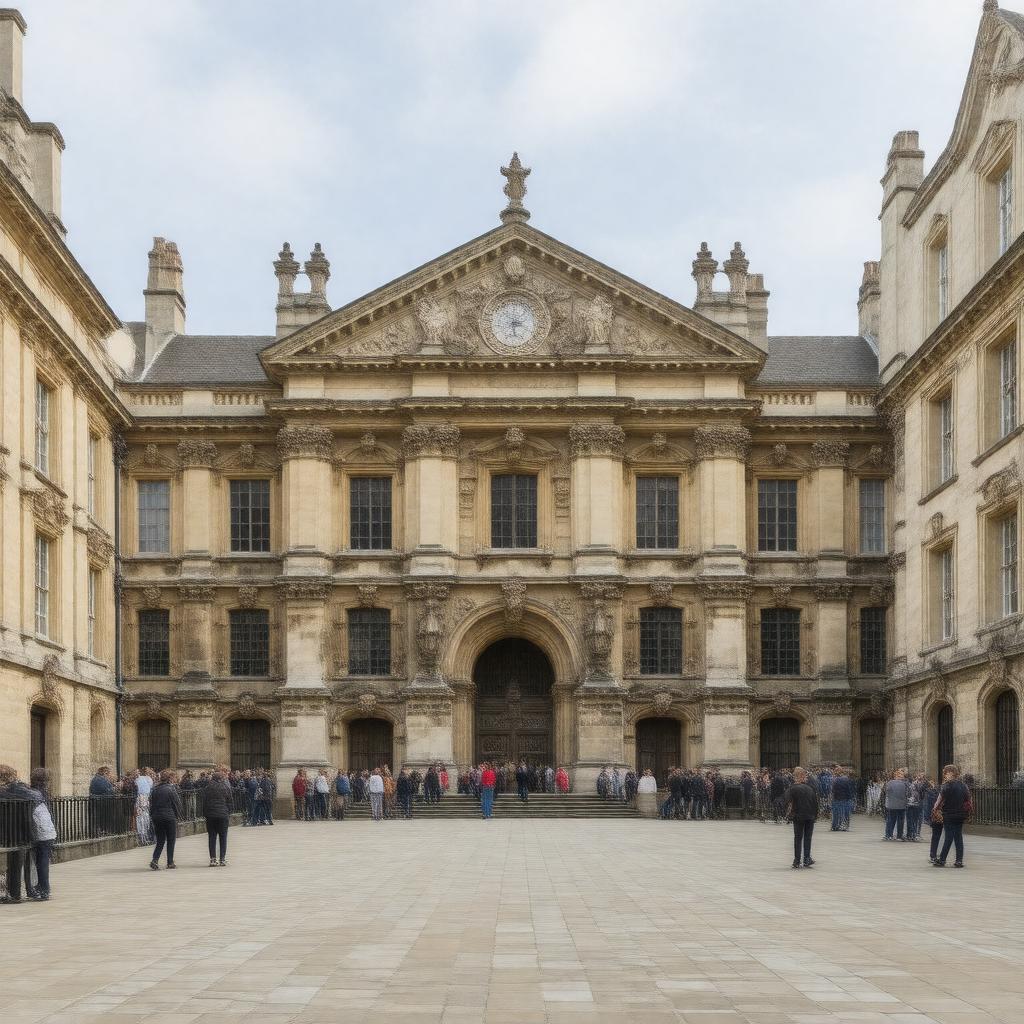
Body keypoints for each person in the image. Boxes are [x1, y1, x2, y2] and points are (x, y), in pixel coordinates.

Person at [933, 764, 970, 868]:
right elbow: (968, 799)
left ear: (950, 773)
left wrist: (935, 810)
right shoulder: (964, 785)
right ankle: (959, 861)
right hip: (961, 814)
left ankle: (942, 860)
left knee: (948, 837)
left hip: (949, 814)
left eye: (946, 773)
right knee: (958, 837)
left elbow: (939, 802)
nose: (944, 775)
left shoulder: (946, 786)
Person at [784, 766, 819, 868]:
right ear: (804, 777)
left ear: (795, 776)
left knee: (798, 838)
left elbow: (787, 801)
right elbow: (815, 804)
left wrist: (789, 814)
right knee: (808, 838)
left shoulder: (792, 788)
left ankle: (797, 861)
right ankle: (807, 859)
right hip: (810, 817)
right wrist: (815, 816)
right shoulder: (810, 789)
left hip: (798, 816)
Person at [149, 769, 183, 870]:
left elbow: (151, 804)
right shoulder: (171, 789)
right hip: (169, 817)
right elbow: (177, 804)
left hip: (157, 817)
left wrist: (153, 815)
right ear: (170, 778)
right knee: (171, 840)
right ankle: (170, 862)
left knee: (160, 840)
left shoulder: (155, 789)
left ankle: (155, 859)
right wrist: (178, 816)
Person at [203, 768, 232, 867]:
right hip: (223, 814)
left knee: (212, 837)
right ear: (221, 778)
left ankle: (213, 859)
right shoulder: (226, 787)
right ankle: (222, 859)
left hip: (211, 815)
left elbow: (204, 802)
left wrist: (206, 814)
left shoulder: (207, 788)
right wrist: (228, 812)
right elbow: (230, 801)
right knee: (223, 837)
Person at [883, 769, 910, 841]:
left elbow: (886, 792)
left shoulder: (889, 783)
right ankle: (899, 836)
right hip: (901, 805)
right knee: (900, 821)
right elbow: (908, 793)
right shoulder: (906, 783)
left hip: (891, 805)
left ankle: (888, 835)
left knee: (890, 820)